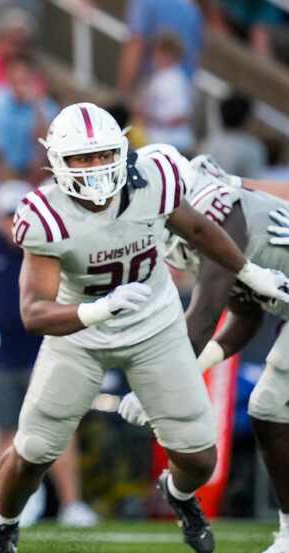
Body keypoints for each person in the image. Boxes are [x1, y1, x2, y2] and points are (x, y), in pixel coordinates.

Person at [0, 102, 289, 553]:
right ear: (57, 162)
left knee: (200, 455)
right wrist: (97, 310)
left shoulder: (156, 184)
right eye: (82, 158)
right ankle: (3, 528)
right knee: (34, 449)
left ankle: (181, 495)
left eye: (105, 154)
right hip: (80, 335)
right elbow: (34, 313)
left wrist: (250, 272)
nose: (95, 168)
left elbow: (205, 236)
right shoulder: (46, 214)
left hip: (155, 325)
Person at [118, 148, 289, 553]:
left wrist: (153, 391)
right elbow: (244, 314)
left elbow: (202, 315)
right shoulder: (196, 223)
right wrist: (197, 367)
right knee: (268, 410)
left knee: (269, 407)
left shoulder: (219, 210)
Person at [0, 184, 97, 527]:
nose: (13, 223)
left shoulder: (50, 249)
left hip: (47, 354)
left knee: (60, 430)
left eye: (19, 215)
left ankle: (71, 504)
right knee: (1, 430)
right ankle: (1, 501)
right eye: (8, 216)